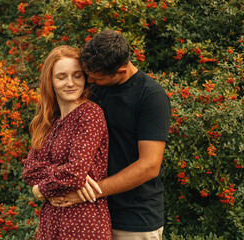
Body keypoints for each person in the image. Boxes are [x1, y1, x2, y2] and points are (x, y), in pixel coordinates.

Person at [52, 30, 171, 239]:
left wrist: (89, 192)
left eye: (96, 78)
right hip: (92, 214)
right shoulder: (95, 88)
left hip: (134, 218)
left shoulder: (151, 96)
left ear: (122, 70)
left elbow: (149, 166)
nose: (88, 80)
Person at [22, 45, 112, 239]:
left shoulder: (90, 114)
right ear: (51, 81)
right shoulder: (49, 121)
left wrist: (40, 190)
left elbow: (75, 173)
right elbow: (29, 170)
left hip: (83, 222)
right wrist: (62, 172)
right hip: (51, 221)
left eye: (77, 75)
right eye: (61, 77)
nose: (70, 83)